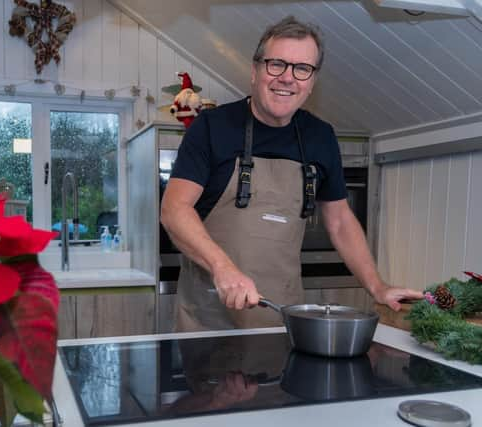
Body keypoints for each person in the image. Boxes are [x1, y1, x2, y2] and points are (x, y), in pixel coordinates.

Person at [160, 15, 423, 332]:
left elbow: (339, 220)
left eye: (302, 69)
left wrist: (378, 287)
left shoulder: (321, 137)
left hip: (283, 318)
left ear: (312, 82)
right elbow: (175, 210)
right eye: (277, 65)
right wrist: (223, 267)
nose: (288, 78)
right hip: (210, 317)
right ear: (255, 71)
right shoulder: (212, 127)